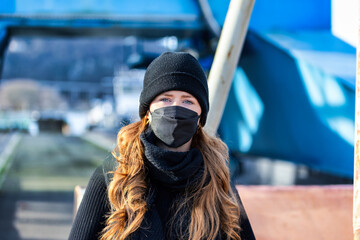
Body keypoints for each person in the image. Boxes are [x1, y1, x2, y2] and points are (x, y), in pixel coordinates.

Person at [69, 52, 255, 240]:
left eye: (187, 101)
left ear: (201, 115)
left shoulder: (216, 176)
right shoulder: (115, 173)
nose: (175, 108)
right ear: (147, 111)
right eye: (165, 99)